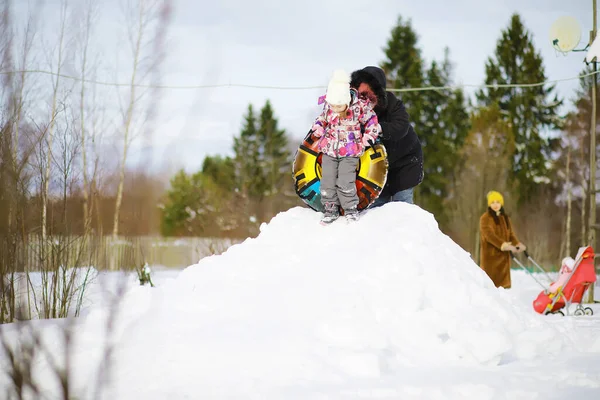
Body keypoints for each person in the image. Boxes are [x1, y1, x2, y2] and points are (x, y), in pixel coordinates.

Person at [311, 69, 381, 224]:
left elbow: (372, 123)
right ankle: (330, 209)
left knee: (345, 181)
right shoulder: (330, 105)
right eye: (333, 106)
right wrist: (318, 127)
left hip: (350, 150)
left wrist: (367, 139)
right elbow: (322, 118)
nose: (335, 109)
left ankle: (350, 209)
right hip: (329, 148)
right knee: (327, 180)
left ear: (347, 99)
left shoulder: (359, 108)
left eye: (339, 106)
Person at [349, 66, 423, 206]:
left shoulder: (393, 105)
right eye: (360, 95)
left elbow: (401, 126)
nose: (364, 101)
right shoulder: (351, 111)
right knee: (377, 210)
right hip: (376, 167)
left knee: (402, 207)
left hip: (404, 163)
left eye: (368, 95)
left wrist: (378, 128)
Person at [479, 190, 526, 288]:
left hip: (504, 260)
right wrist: (504, 245)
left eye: (498, 202)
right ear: (489, 204)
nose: (495, 205)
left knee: (503, 289)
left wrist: (517, 244)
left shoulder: (505, 218)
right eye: (493, 202)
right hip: (491, 259)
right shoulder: (485, 218)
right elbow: (489, 235)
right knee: (491, 287)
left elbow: (511, 235)